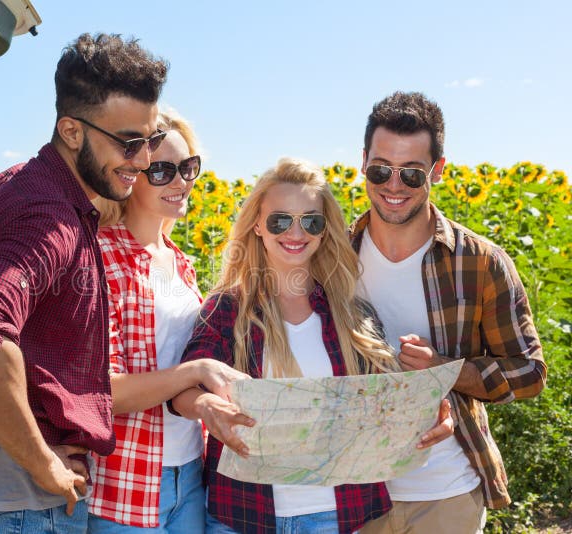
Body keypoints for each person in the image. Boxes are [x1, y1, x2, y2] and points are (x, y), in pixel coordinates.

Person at [0, 33, 168, 533]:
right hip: (21, 504)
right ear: (71, 130)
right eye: (129, 142)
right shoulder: (46, 218)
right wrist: (39, 460)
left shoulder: (14, 183)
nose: (143, 158)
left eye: (152, 138)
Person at [171, 158, 452, 534]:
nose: (296, 232)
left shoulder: (352, 314)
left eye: (311, 220)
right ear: (258, 225)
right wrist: (204, 405)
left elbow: (385, 405)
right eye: (280, 220)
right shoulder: (227, 309)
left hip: (336, 516)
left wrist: (429, 410)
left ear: (324, 231)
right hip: (242, 515)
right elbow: (182, 391)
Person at [352, 91, 547, 534]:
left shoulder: (479, 261)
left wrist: (445, 370)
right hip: (353, 493)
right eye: (381, 169)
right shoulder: (333, 259)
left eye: (413, 174)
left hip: (446, 493)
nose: (393, 185)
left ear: (438, 170)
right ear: (363, 161)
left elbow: (530, 372)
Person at [87, 110, 248, 532]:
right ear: (130, 175)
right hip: (126, 482)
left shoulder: (179, 262)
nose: (180, 182)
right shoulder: (101, 257)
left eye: (187, 167)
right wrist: (195, 371)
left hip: (190, 471)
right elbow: (105, 392)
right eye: (161, 171)